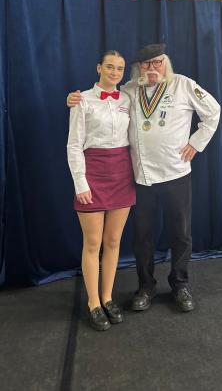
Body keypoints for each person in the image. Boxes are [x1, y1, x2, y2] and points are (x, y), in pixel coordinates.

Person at [68, 43, 220, 312]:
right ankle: (145, 287)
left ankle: (180, 284)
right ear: (139, 67)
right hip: (141, 177)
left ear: (166, 63)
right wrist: (74, 98)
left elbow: (213, 111)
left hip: (175, 173)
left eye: (157, 62)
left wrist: (196, 143)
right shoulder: (128, 90)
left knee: (180, 233)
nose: (152, 68)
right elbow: (100, 99)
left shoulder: (183, 84)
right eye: (146, 64)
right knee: (142, 237)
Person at [67, 50, 136, 331]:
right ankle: (93, 302)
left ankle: (107, 297)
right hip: (92, 173)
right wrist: (80, 183)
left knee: (113, 241)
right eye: (110, 67)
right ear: (99, 68)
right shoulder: (81, 100)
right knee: (93, 243)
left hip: (122, 174)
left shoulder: (128, 99)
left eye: (119, 68)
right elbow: (74, 145)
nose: (115, 72)